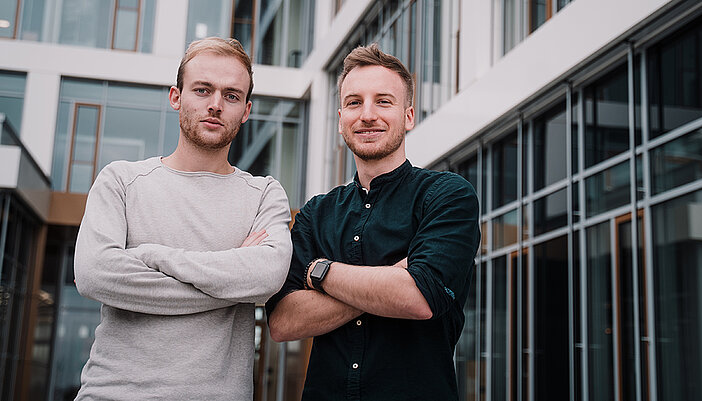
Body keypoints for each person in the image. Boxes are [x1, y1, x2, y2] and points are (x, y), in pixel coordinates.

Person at [73, 37, 292, 400]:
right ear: (176, 97)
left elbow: (267, 277)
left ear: (247, 110)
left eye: (231, 95)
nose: (216, 105)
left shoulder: (264, 194)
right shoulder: (122, 181)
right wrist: (231, 278)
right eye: (202, 90)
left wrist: (151, 256)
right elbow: (95, 274)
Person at [265, 43, 481, 400]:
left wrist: (320, 272)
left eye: (383, 101)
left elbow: (418, 299)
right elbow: (283, 322)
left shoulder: (447, 196)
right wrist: (393, 280)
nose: (367, 115)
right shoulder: (316, 213)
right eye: (354, 102)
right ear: (340, 120)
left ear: (408, 116)